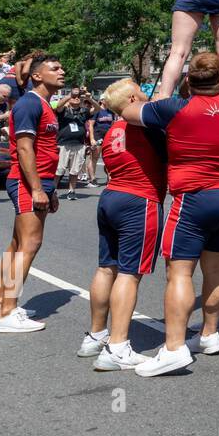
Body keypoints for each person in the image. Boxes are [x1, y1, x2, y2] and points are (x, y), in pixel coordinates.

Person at [123, 52, 219, 376]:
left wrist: (152, 95)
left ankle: (173, 347)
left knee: (180, 272)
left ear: (189, 80)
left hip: (195, 196)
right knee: (215, 268)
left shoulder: (173, 107)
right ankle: (209, 334)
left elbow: (128, 112)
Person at [80, 79, 166, 371]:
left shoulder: (114, 128)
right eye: (140, 90)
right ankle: (117, 346)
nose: (145, 93)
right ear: (132, 98)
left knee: (106, 267)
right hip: (138, 200)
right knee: (129, 274)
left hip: (111, 197)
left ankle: (96, 334)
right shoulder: (145, 125)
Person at [0, 55, 67, 332]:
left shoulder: (43, 104)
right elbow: (23, 149)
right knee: (30, 244)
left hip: (39, 182)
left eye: (61, 67)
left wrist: (49, 189)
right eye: (54, 68)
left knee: (18, 244)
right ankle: (7, 313)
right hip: (27, 182)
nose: (62, 71)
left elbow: (45, 150)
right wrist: (35, 188)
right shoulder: (30, 103)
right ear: (37, 76)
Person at [55, 90, 92, 201]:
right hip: (63, 144)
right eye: (74, 97)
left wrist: (89, 99)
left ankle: (72, 191)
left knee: (75, 170)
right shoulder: (64, 111)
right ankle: (52, 190)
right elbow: (58, 106)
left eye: (78, 97)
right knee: (59, 170)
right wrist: (70, 95)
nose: (76, 98)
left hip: (79, 145)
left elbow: (98, 109)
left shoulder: (83, 111)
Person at [86, 97, 115, 185]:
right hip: (97, 135)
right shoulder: (97, 110)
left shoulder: (111, 112)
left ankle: (109, 178)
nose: (109, 101)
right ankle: (92, 179)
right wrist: (92, 139)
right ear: (102, 100)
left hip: (108, 137)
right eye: (106, 99)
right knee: (94, 157)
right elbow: (91, 125)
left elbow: (112, 124)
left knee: (108, 158)